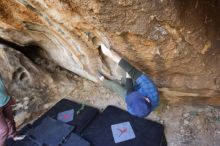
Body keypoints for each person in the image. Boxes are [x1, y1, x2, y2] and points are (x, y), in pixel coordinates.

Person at [98, 44, 159, 118]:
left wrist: (128, 78)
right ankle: (123, 81)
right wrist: (110, 54)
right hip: (138, 86)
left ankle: (103, 81)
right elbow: (134, 71)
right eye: (135, 96)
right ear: (147, 99)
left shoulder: (132, 110)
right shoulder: (151, 90)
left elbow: (129, 92)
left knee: (117, 88)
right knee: (124, 74)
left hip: (134, 94)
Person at [0, 74, 25, 146]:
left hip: (5, 100)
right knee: (4, 130)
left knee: (11, 120)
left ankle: (14, 135)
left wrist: (9, 96)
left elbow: (1, 85)